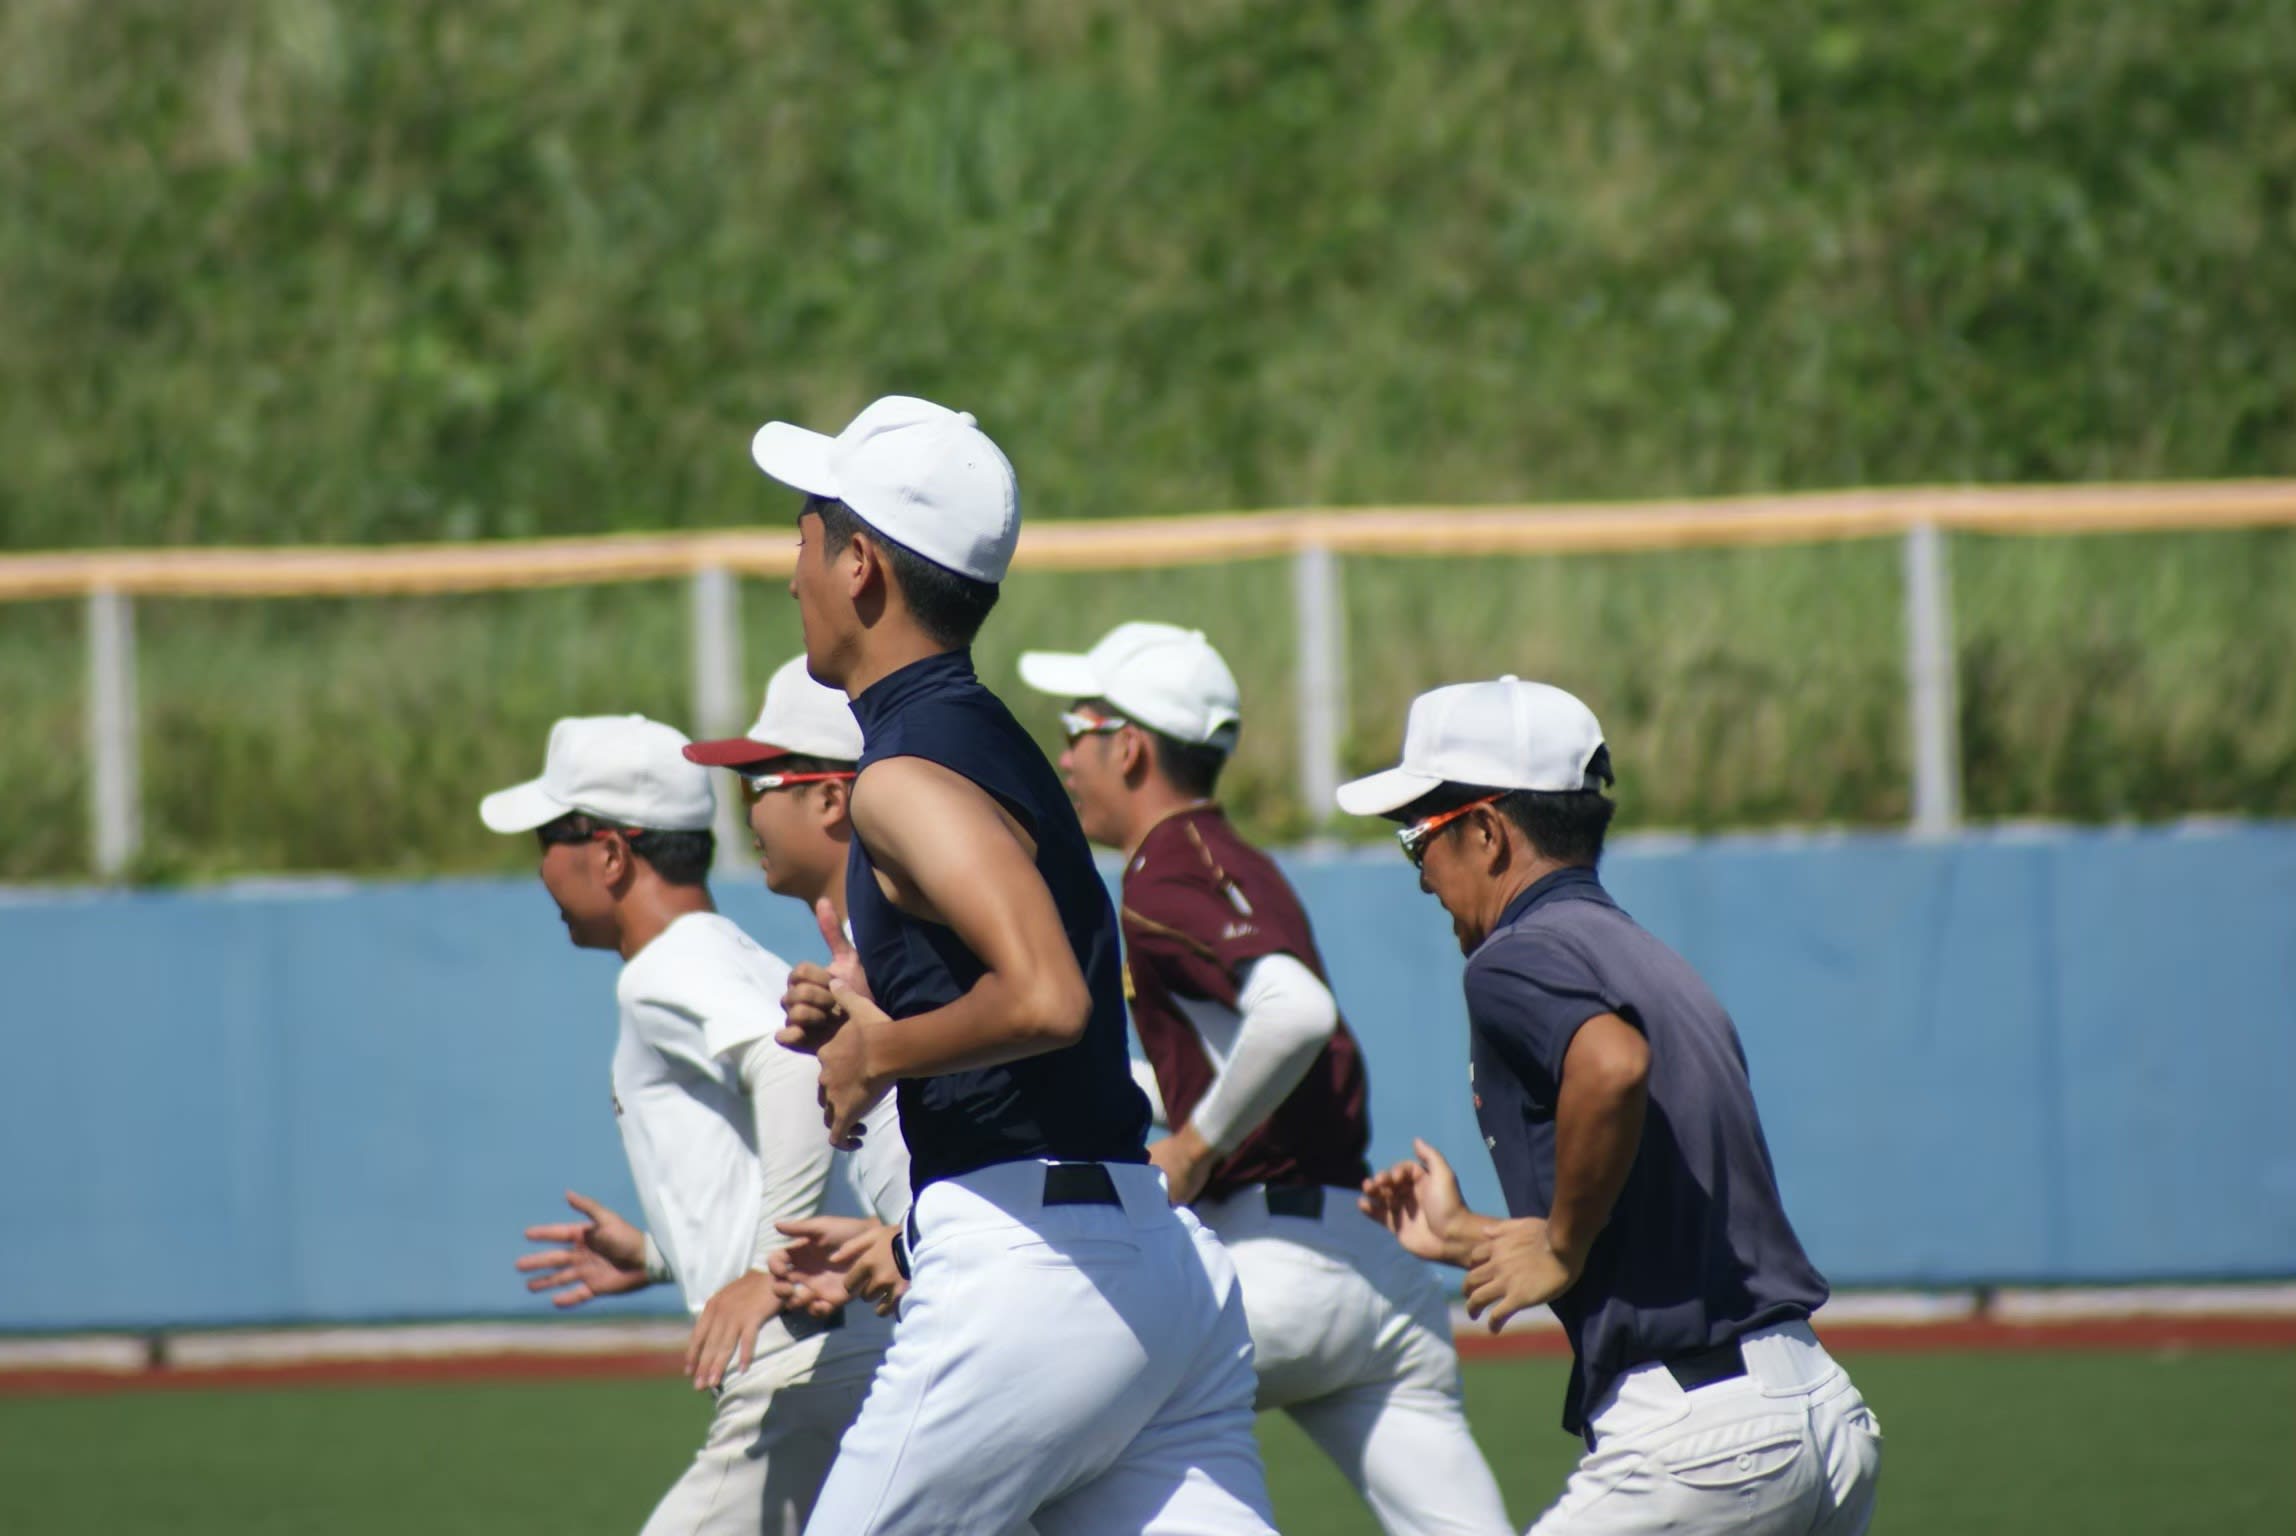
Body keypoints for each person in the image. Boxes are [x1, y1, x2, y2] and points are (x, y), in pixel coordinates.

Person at [747, 394, 1275, 1536]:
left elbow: (1043, 994)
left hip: (1034, 1268)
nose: (788, 568)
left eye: (802, 533)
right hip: (1152, 1265)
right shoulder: (984, 739)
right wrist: (863, 1005)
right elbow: (1005, 972)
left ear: (861, 568)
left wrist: (878, 1048)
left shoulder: (899, 773)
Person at [1344, 678, 1883, 1535]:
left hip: (1703, 1442)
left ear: (1485, 832)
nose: (1419, 878)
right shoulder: (1645, 956)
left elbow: (1613, 1065)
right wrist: (1469, 1236)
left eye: (1418, 840)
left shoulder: (1513, 956)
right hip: (1818, 1413)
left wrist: (1560, 1241)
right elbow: (1670, 1221)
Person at [1017, 620, 1512, 1536]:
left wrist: (1197, 1149)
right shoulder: (1231, 860)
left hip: (1266, 1269)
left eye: (1076, 726)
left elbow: (1295, 1011)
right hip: (1373, 1270)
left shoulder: (1164, 875)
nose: (1065, 755)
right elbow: (1224, 1057)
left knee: (1034, 1447)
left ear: (1128, 747)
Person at [484, 713, 901, 1536]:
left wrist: (764, 1269)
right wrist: (654, 1255)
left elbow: (788, 1068)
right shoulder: (728, 952)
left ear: (609, 853)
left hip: (796, 1368)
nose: (539, 869)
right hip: (844, 1349)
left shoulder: (666, 968)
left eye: (548, 836)